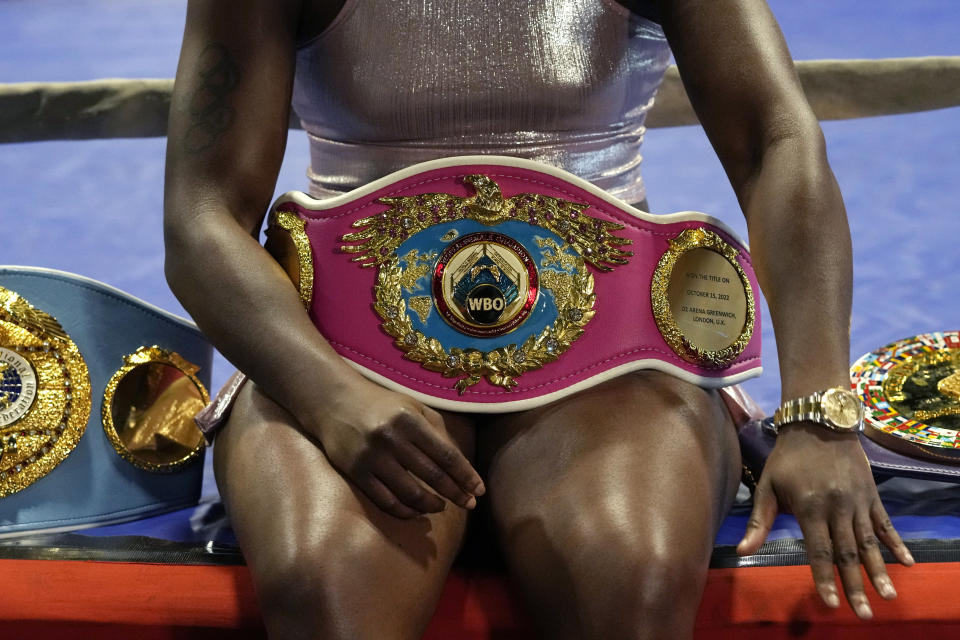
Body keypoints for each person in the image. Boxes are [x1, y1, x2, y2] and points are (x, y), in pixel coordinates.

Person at [163, 1, 914, 638]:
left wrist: (820, 412)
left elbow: (774, 139)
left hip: (610, 357)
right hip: (338, 354)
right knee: (324, 584)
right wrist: (328, 397)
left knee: (631, 574)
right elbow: (202, 215)